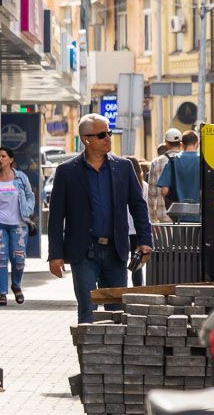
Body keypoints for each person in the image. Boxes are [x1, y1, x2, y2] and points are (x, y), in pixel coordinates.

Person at [48, 113, 153, 325]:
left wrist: (145, 240)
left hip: (116, 251)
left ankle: (114, 358)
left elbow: (138, 205)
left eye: (109, 133)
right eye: (102, 134)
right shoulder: (67, 171)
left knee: (117, 312)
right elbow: (56, 216)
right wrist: (55, 254)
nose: (108, 138)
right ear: (86, 139)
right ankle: (88, 358)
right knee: (87, 310)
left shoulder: (123, 167)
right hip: (83, 252)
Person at [0, 147, 36, 306]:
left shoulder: (21, 178)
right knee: (1, 259)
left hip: (19, 224)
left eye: (4, 156)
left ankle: (16, 285)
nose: (0, 159)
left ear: (11, 160)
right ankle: (2, 293)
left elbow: (30, 196)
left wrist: (29, 209)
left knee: (19, 259)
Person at [158, 130, 201, 223]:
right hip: (201, 214)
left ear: (182, 144)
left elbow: (164, 190)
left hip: (179, 215)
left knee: (181, 237)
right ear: (197, 143)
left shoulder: (173, 161)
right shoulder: (203, 161)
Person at [147, 128, 183, 224]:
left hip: (164, 216)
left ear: (166, 143)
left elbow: (151, 194)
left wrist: (153, 219)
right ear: (181, 144)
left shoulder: (156, 162)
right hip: (186, 214)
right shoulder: (187, 161)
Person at [125, 156, 149, 287]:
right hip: (138, 229)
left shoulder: (122, 184)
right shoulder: (144, 186)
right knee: (136, 262)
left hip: (124, 227)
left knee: (121, 261)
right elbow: (148, 207)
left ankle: (120, 286)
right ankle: (137, 287)